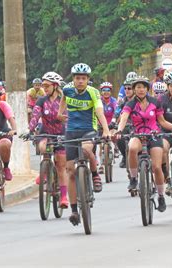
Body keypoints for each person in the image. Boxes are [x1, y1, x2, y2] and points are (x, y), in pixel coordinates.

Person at [57, 63, 110, 226]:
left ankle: (94, 175)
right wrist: (60, 113)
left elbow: (100, 112)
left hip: (89, 129)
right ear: (73, 79)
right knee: (71, 171)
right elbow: (63, 102)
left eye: (83, 78)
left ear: (88, 79)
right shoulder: (67, 90)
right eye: (77, 78)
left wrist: (106, 130)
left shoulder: (93, 93)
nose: (80, 81)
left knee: (87, 150)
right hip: (71, 131)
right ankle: (74, 210)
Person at [115, 76, 172, 212]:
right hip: (138, 134)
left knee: (156, 167)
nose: (140, 90)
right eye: (137, 87)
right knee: (131, 148)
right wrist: (119, 130)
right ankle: (133, 178)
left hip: (154, 135)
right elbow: (124, 118)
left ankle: (161, 196)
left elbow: (162, 121)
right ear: (134, 90)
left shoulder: (155, 102)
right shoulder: (130, 104)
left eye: (143, 87)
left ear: (147, 89)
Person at [28, 71, 69, 208]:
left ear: (55, 86)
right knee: (43, 146)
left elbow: (69, 118)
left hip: (61, 134)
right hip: (45, 132)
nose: (44, 88)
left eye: (46, 85)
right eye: (43, 85)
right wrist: (30, 129)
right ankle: (45, 171)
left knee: (61, 166)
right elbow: (35, 115)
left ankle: (64, 196)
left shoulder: (64, 100)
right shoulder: (41, 100)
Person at [113, 78, 135, 168]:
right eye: (125, 88)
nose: (126, 90)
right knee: (119, 138)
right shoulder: (122, 101)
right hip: (126, 125)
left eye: (129, 88)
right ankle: (125, 156)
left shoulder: (139, 100)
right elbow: (117, 112)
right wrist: (113, 122)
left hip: (138, 126)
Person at [98, 81, 117, 174]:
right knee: (100, 143)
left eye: (108, 90)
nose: (106, 92)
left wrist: (114, 121)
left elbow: (116, 112)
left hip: (111, 123)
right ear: (101, 91)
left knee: (113, 136)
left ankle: (114, 148)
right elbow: (96, 112)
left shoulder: (113, 101)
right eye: (104, 90)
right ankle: (101, 165)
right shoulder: (99, 101)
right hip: (100, 123)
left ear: (111, 91)